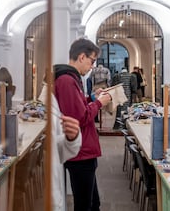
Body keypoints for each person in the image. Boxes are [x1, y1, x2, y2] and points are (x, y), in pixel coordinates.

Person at [54, 38, 112, 211]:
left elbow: (76, 106)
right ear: (81, 57)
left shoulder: (71, 78)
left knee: (93, 203)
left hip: (84, 150)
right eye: (92, 61)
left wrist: (92, 98)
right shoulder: (66, 80)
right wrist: (100, 103)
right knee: (85, 205)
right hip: (80, 152)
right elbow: (79, 118)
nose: (92, 66)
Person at [39, 82, 82, 211]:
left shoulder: (50, 102)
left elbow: (58, 150)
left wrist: (72, 138)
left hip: (49, 188)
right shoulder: (45, 100)